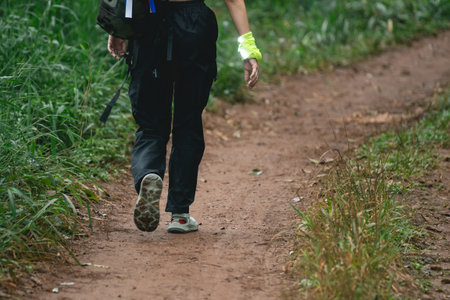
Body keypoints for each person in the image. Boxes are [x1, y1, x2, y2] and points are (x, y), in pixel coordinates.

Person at [107, 0, 261, 233]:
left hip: (150, 21)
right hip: (195, 27)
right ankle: (180, 214)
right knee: (188, 121)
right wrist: (248, 50)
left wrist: (118, 28)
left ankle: (149, 173)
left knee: (150, 123)